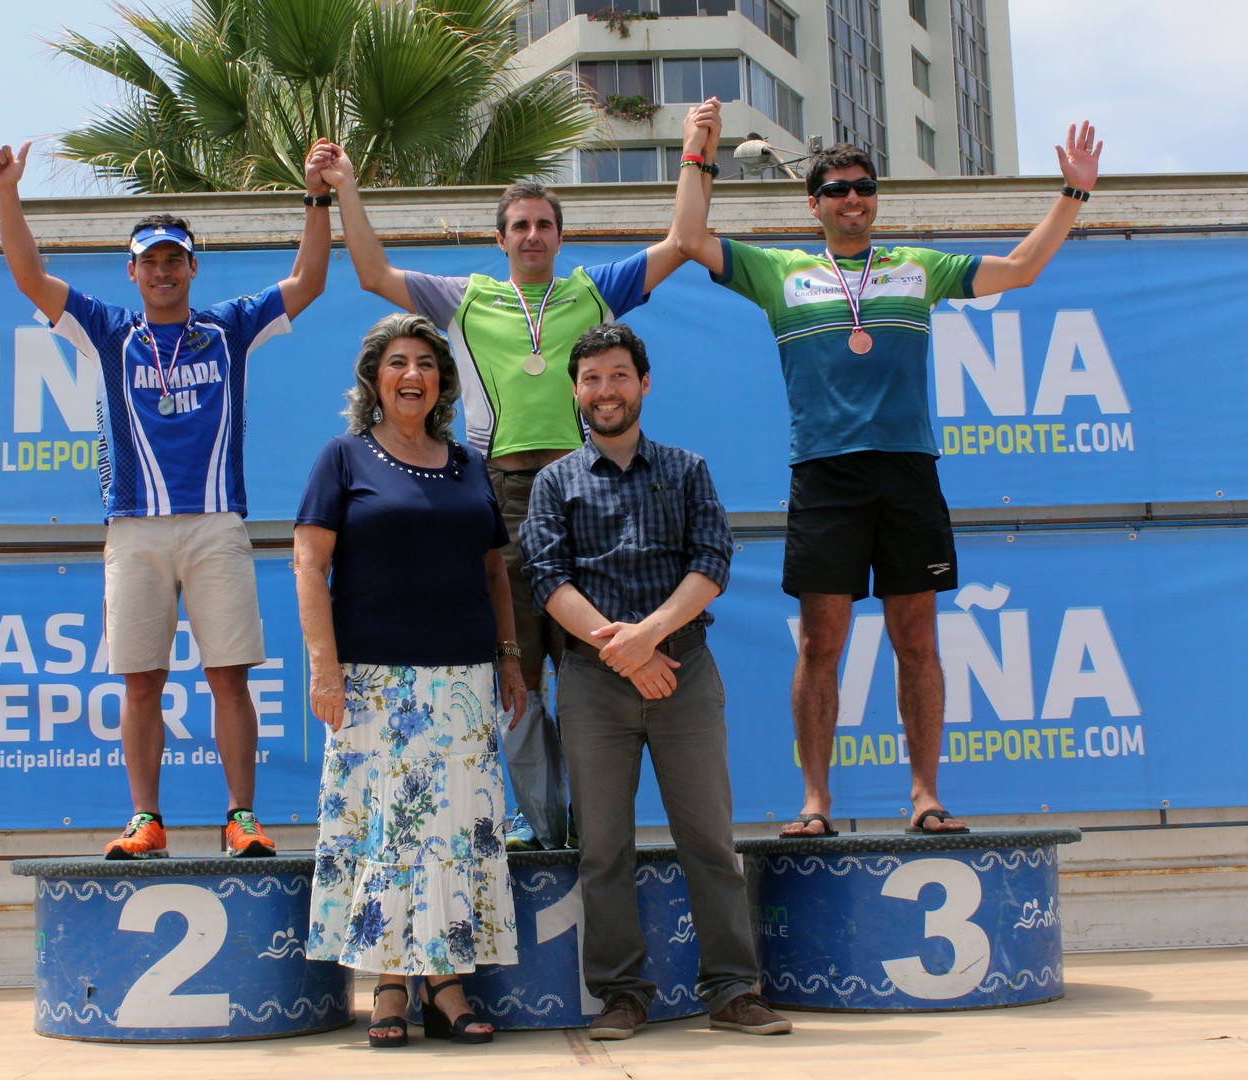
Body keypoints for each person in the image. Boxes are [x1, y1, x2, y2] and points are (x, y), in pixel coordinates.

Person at [675, 107, 1104, 838]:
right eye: (837, 189)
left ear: (876, 197)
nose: (853, 200)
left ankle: (926, 796)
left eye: (864, 187)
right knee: (820, 643)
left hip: (907, 473)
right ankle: (815, 801)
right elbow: (687, 238)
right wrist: (696, 154)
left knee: (917, 639)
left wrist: (1073, 194)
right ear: (813, 203)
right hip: (825, 475)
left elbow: (1024, 269)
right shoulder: (781, 271)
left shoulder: (918, 266)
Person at [313, 106, 720, 851]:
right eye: (520, 226)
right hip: (498, 490)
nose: (533, 236)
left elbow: (682, 242)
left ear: (561, 237)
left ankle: (596, 831)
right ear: (501, 239)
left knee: (597, 659)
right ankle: (544, 823)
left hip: (585, 490)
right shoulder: (466, 298)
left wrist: (696, 150)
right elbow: (371, 272)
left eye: (544, 224)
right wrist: (343, 186)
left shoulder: (595, 291)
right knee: (519, 670)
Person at [0, 139, 336, 858]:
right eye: (151, 260)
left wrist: (317, 197)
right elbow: (29, 278)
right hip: (135, 528)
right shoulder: (111, 332)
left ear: (192, 268)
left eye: (175, 258)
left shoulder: (228, 330)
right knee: (141, 682)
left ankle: (241, 817)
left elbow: (309, 279)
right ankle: (146, 820)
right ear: (133, 271)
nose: (164, 271)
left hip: (214, 523)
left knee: (227, 675)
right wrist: (7, 194)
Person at [520, 323, 791, 1041]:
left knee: (707, 837)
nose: (604, 391)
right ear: (574, 391)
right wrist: (626, 650)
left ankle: (733, 989)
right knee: (603, 847)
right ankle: (620, 995)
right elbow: (548, 579)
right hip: (593, 680)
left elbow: (712, 561)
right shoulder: (555, 482)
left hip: (685, 673)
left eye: (618, 376)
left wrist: (648, 638)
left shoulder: (687, 469)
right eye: (591, 379)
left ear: (643, 384)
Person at [295, 313, 526, 1048]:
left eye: (426, 362)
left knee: (454, 832)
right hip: (372, 685)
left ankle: (448, 984)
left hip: (462, 681)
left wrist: (511, 655)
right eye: (398, 362)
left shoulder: (467, 465)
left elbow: (494, 569)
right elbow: (308, 565)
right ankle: (389, 985)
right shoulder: (343, 458)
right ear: (374, 378)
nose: (413, 375)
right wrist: (323, 668)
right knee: (385, 834)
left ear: (442, 381)